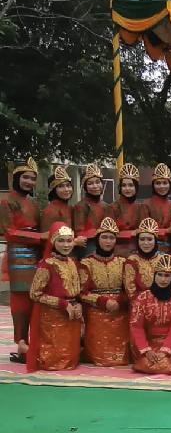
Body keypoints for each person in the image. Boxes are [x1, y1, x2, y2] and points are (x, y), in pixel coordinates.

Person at [0, 158, 41, 363]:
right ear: (16, 178)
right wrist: (39, 237)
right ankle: (22, 343)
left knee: (36, 299)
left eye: (33, 178)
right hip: (18, 254)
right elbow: (8, 232)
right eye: (25, 177)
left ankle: (36, 344)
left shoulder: (34, 203)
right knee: (20, 302)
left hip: (36, 254)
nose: (29, 182)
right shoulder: (6, 201)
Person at [27, 222, 82, 372]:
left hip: (71, 315)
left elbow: (75, 290)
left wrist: (78, 304)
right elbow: (35, 294)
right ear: (53, 242)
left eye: (69, 241)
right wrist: (62, 304)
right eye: (61, 241)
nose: (66, 245)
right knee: (54, 361)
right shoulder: (46, 265)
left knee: (71, 359)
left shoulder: (72, 262)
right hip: (53, 316)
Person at [78, 217, 129, 366]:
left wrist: (119, 301)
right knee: (100, 358)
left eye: (111, 238)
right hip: (96, 310)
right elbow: (81, 292)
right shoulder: (87, 263)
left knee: (123, 357)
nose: (108, 241)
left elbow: (129, 289)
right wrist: (102, 301)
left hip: (119, 310)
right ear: (97, 239)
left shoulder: (123, 262)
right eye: (104, 237)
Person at [130, 254, 171, 375]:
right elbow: (136, 326)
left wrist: (165, 351)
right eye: (160, 275)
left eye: (167, 276)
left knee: (165, 366)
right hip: (147, 344)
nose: (163, 279)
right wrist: (146, 350)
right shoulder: (143, 297)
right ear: (154, 276)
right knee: (145, 364)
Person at [110, 163, 149, 257]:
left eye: (131, 185)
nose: (127, 189)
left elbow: (146, 231)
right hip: (116, 252)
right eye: (124, 185)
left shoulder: (142, 207)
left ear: (136, 187)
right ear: (120, 188)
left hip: (139, 251)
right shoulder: (112, 207)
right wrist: (132, 233)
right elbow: (109, 234)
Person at [73, 164, 112, 256]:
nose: (95, 186)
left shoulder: (106, 206)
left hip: (106, 243)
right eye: (90, 183)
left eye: (97, 182)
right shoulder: (80, 206)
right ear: (85, 187)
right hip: (88, 246)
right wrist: (98, 232)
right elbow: (79, 232)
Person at [123, 218, 160, 301]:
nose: (146, 243)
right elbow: (131, 292)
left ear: (155, 241)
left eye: (149, 239)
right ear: (137, 241)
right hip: (140, 304)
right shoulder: (132, 261)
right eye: (142, 239)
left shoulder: (163, 259)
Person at [145, 163, 171, 254]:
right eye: (158, 183)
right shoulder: (146, 205)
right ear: (153, 185)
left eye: (165, 183)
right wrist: (167, 231)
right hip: (150, 249)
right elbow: (144, 230)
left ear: (170, 184)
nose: (162, 186)